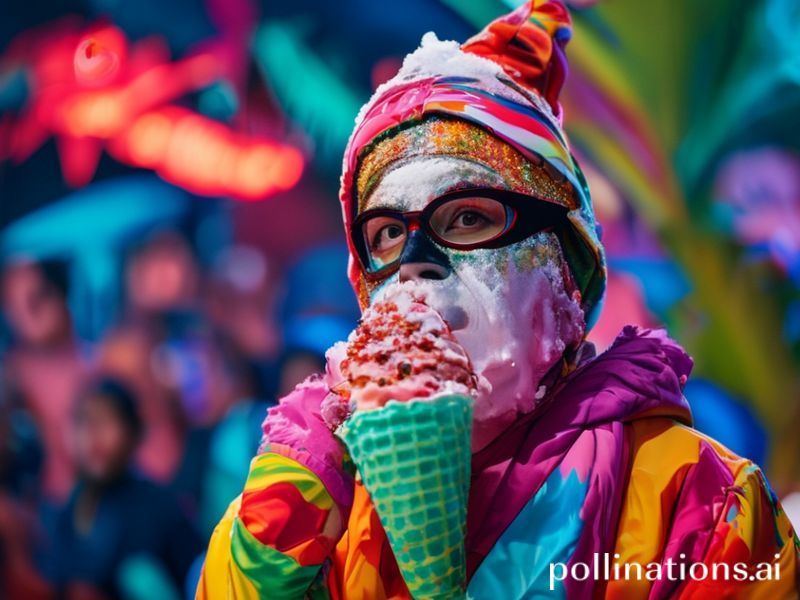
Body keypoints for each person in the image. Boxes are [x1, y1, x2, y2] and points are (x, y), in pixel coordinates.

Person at [198, 1, 800, 598]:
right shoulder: (327, 506)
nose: (413, 265)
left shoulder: (701, 501)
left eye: (464, 217)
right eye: (384, 234)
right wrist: (285, 512)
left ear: (566, 267)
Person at [45, 378, 201, 598]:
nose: (93, 433)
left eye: (107, 420)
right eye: (83, 420)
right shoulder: (66, 512)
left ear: (134, 432)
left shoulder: (160, 508)